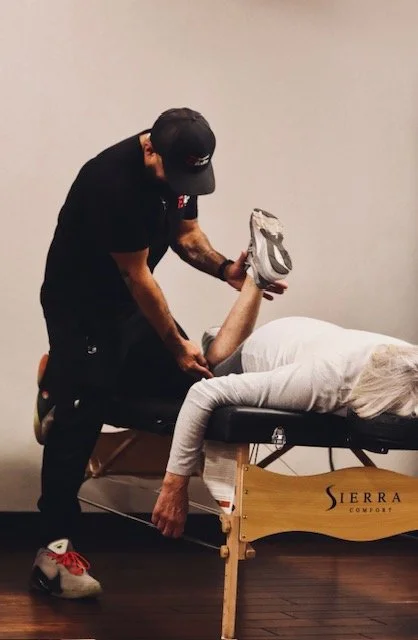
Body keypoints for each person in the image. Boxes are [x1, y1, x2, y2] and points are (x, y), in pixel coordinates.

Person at [31, 109, 289, 599]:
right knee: (80, 418)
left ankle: (56, 381)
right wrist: (174, 343)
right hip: (80, 311)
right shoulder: (112, 182)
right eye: (177, 175)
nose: (182, 187)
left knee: (195, 385)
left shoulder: (180, 167)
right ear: (150, 148)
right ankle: (53, 554)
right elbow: (138, 276)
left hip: (128, 308)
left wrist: (226, 271)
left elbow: (186, 236)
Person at [152, 215, 418, 539]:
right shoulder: (324, 384)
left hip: (313, 338)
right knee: (211, 368)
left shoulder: (407, 358)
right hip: (269, 349)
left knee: (217, 352)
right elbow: (203, 394)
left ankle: (217, 334)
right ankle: (255, 281)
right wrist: (174, 485)